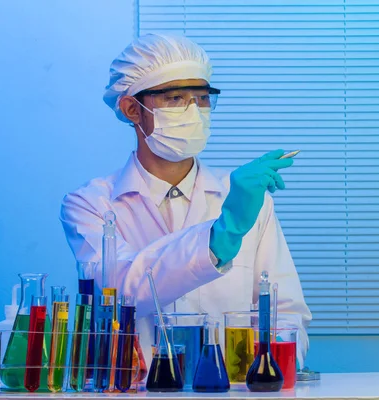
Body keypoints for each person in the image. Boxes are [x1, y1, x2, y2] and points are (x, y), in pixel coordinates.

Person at [60, 33, 311, 367]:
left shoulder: (247, 201)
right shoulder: (91, 204)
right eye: (176, 98)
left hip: (230, 389)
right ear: (132, 108)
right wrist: (219, 238)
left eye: (203, 98)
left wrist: (272, 367)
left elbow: (285, 313)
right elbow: (118, 291)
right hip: (139, 387)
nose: (194, 111)